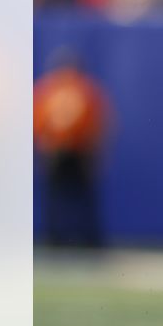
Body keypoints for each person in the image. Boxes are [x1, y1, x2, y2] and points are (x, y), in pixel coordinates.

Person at [33, 47, 109, 248]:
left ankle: (62, 239)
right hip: (72, 149)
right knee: (74, 198)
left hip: (65, 149)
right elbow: (97, 123)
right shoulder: (84, 89)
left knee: (65, 198)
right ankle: (81, 240)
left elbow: (38, 121)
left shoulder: (48, 89)